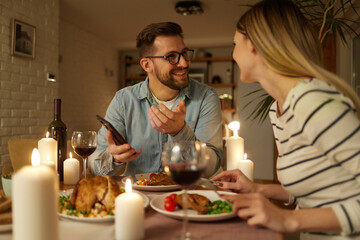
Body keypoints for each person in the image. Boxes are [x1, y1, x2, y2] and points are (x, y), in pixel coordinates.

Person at [211, 0, 360, 239]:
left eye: (235, 43)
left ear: (254, 46)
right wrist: (257, 189)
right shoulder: (278, 109)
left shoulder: (312, 102)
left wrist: (288, 218)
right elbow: (315, 189)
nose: (233, 53)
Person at [89, 22, 223, 178]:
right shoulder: (123, 100)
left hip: (186, 195)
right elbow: (94, 163)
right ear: (147, 65)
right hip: (138, 198)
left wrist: (180, 133)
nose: (184, 63)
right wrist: (113, 159)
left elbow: (211, 167)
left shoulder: (206, 97)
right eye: (171, 56)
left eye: (184, 53)